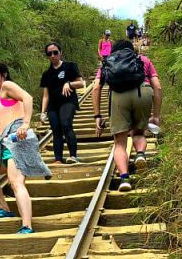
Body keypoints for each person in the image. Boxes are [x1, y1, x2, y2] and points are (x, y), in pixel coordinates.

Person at [0, 62, 51, 234]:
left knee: (16, 182)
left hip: (17, 142)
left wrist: (26, 123)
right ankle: (5, 210)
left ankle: (27, 226)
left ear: (4, 74)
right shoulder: (1, 97)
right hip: (6, 143)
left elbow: (28, 98)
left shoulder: (7, 86)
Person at [92, 40, 162, 192]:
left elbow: (96, 87)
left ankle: (124, 178)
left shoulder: (107, 63)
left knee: (120, 142)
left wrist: (97, 115)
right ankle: (141, 154)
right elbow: (157, 86)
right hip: (142, 92)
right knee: (138, 132)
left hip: (118, 96)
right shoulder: (142, 60)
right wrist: (155, 116)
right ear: (132, 51)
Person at [39, 42, 85, 165]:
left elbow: (81, 83)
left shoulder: (70, 66)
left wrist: (69, 84)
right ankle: (58, 158)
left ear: (60, 53)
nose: (53, 55)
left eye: (55, 52)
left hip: (68, 101)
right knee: (56, 130)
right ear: (47, 56)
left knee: (66, 124)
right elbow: (46, 95)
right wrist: (43, 112)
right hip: (53, 105)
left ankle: (73, 156)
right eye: (49, 54)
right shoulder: (46, 74)